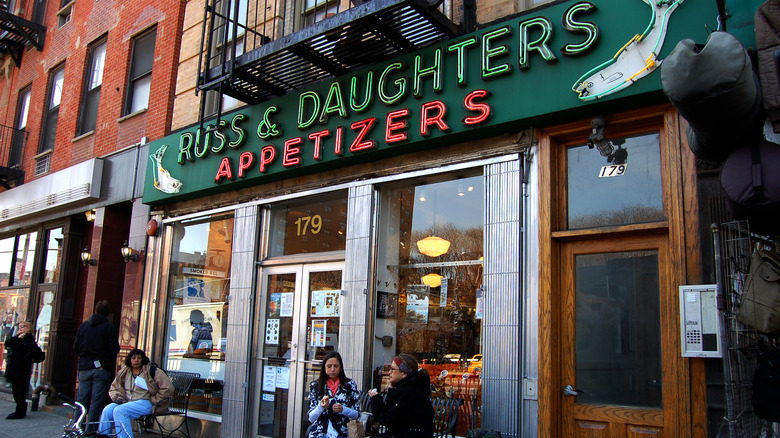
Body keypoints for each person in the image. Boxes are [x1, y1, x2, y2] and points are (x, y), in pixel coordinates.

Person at [98, 348, 174, 438]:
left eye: (139, 358)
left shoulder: (152, 371)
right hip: (127, 401)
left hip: (147, 402)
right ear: (129, 360)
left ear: (143, 359)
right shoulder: (125, 371)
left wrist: (155, 399)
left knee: (120, 411)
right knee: (108, 410)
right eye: (133, 358)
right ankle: (104, 436)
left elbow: (168, 388)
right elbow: (114, 387)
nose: (136, 360)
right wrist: (118, 398)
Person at [73, 300, 120, 434]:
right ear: (107, 313)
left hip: (84, 366)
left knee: (81, 400)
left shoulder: (83, 326)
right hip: (101, 368)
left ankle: (77, 427)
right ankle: (91, 430)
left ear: (95, 310)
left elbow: (76, 347)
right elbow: (113, 348)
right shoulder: (108, 327)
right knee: (96, 401)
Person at [369, 353, 434, 438]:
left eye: (392, 369)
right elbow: (393, 415)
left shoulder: (408, 392)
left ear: (404, 372)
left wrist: (375, 400)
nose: (389, 372)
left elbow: (389, 420)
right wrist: (391, 390)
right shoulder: (410, 388)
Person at [307, 351, 360, 438]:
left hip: (341, 430)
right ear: (324, 368)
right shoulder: (315, 385)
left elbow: (357, 414)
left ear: (341, 368)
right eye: (329, 366)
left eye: (336, 366)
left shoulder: (350, 385)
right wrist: (320, 407)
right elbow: (311, 418)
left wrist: (343, 409)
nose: (332, 369)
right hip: (320, 430)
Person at [4, 321, 44, 420]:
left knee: (20, 391)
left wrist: (26, 337)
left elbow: (34, 351)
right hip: (14, 368)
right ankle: (20, 409)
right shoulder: (17, 338)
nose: (20, 328)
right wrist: (17, 337)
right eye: (20, 326)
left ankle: (20, 411)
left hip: (22, 369)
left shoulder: (29, 339)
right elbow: (7, 343)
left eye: (23, 326)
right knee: (16, 390)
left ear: (28, 328)